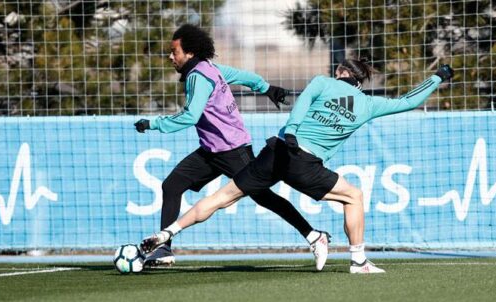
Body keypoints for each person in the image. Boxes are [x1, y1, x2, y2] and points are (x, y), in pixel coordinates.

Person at [141, 58, 455, 274]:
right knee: (354, 196)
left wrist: (290, 130)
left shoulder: (321, 81)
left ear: (339, 71)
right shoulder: (370, 104)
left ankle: (168, 232)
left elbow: (302, 105)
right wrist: (437, 77)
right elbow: (409, 101)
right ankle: (359, 261)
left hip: (276, 151)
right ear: (359, 82)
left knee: (222, 197)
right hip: (304, 164)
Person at [134, 24, 330, 270]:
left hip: (232, 150)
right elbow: (245, 76)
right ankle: (163, 249)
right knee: (172, 185)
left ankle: (314, 236)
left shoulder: (199, 76)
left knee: (263, 197)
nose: (170, 56)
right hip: (210, 151)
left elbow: (189, 116)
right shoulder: (210, 67)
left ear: (190, 53)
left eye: (175, 51)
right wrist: (266, 88)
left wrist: (152, 123)